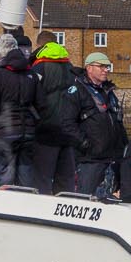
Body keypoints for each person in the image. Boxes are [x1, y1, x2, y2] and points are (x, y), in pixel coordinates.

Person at [0, 34, 38, 188]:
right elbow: (41, 104)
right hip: (28, 132)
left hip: (4, 132)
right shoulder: (31, 73)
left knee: (4, 180)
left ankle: (4, 209)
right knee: (26, 180)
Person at [30, 41, 84, 196]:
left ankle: (41, 213)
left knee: (42, 179)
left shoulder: (39, 68)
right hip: (68, 133)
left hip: (46, 132)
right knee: (66, 180)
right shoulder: (71, 69)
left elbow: (31, 96)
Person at [73, 52, 128, 197]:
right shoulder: (77, 90)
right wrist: (85, 143)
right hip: (90, 158)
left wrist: (124, 147)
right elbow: (67, 123)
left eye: (107, 66)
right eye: (101, 66)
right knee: (85, 198)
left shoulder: (108, 91)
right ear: (89, 68)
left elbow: (117, 120)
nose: (106, 70)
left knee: (110, 199)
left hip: (113, 157)